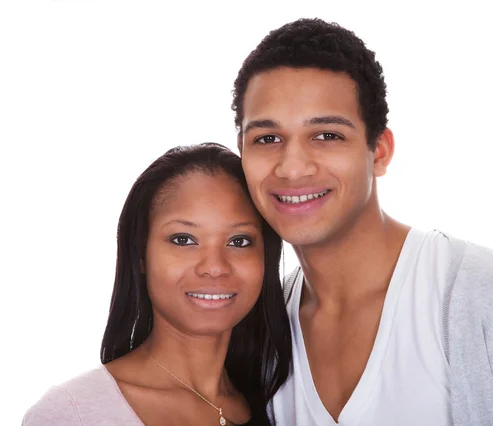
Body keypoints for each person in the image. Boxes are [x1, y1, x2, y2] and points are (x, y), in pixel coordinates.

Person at [232, 18, 493, 425]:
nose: (293, 168)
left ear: (380, 151)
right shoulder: (257, 329)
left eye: (327, 135)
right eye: (267, 138)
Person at [23, 143, 292, 426]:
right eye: (183, 239)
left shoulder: (279, 404)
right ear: (140, 253)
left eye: (239, 241)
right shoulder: (73, 413)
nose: (214, 267)